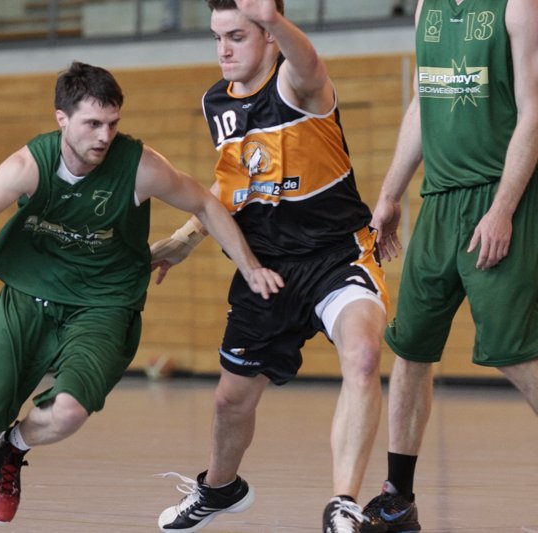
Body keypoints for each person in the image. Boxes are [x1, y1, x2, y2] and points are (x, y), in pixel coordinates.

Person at [0, 61, 281, 533]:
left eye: (112, 123)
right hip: (29, 296)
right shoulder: (30, 165)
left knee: (68, 412)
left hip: (103, 304)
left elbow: (205, 201)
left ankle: (13, 446)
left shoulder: (139, 166)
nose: (105, 136)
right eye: (93, 124)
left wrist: (249, 266)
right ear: (62, 118)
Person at [151, 1, 390, 532]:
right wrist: (187, 237)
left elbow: (310, 64)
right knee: (229, 402)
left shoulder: (297, 84)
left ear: (269, 37)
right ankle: (219, 489)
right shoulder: (217, 103)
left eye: (236, 36)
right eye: (217, 38)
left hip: (335, 257)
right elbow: (232, 183)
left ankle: (344, 505)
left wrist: (278, 20)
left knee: (364, 355)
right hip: (266, 268)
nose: (223, 50)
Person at [360, 0, 538, 531]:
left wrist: (502, 209)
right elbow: (423, 103)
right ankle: (398, 498)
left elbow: (534, 111)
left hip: (500, 198)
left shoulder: (518, 6)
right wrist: (390, 194)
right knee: (411, 348)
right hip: (439, 202)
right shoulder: (426, 9)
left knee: (517, 353)